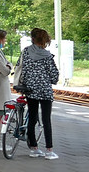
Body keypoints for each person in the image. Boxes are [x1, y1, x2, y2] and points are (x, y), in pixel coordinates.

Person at [20, 27, 60, 159]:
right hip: (44, 90)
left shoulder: (26, 52)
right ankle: (49, 150)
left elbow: (22, 68)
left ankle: (34, 148)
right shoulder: (47, 55)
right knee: (46, 119)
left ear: (32, 39)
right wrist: (51, 80)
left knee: (32, 118)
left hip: (30, 89)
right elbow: (54, 75)